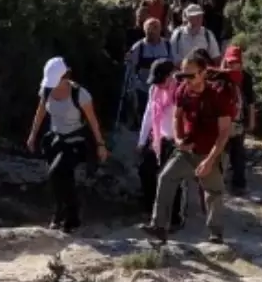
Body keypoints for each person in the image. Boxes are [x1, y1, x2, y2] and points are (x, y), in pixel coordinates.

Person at [147, 48, 236, 244]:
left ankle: (215, 234)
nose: (185, 78)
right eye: (182, 74)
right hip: (187, 148)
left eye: (190, 74)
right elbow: (177, 117)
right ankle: (159, 226)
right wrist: (178, 138)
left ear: (203, 73)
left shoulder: (218, 96)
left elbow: (224, 132)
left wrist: (211, 160)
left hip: (210, 150)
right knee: (166, 177)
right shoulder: (182, 91)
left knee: (213, 192)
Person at [25, 57, 109, 233]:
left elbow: (93, 122)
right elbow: (40, 113)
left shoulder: (80, 94)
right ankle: (66, 215)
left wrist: (100, 145)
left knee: (56, 172)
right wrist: (33, 135)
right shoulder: (46, 91)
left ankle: (68, 214)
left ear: (65, 77)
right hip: (56, 140)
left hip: (76, 141)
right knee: (63, 178)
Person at [136, 59, 187, 229]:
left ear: (170, 75)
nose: (158, 84)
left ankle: (175, 218)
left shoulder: (180, 91)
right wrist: (142, 141)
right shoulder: (154, 90)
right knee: (145, 171)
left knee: (173, 178)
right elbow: (149, 114)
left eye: (161, 80)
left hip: (176, 141)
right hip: (158, 139)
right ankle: (151, 209)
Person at [221, 45, 257, 196]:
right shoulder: (219, 76)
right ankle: (218, 183)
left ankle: (239, 184)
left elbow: (250, 102)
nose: (233, 66)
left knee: (238, 152)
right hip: (221, 121)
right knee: (221, 152)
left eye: (236, 63)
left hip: (238, 120)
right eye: (230, 62)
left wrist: (252, 121)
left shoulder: (246, 78)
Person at [126, 17, 172, 120]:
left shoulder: (168, 45)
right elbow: (131, 67)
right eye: (149, 28)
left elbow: (174, 63)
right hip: (144, 87)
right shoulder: (139, 47)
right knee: (145, 114)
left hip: (165, 88)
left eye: (155, 28)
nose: (152, 31)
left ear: (160, 29)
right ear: (144, 30)